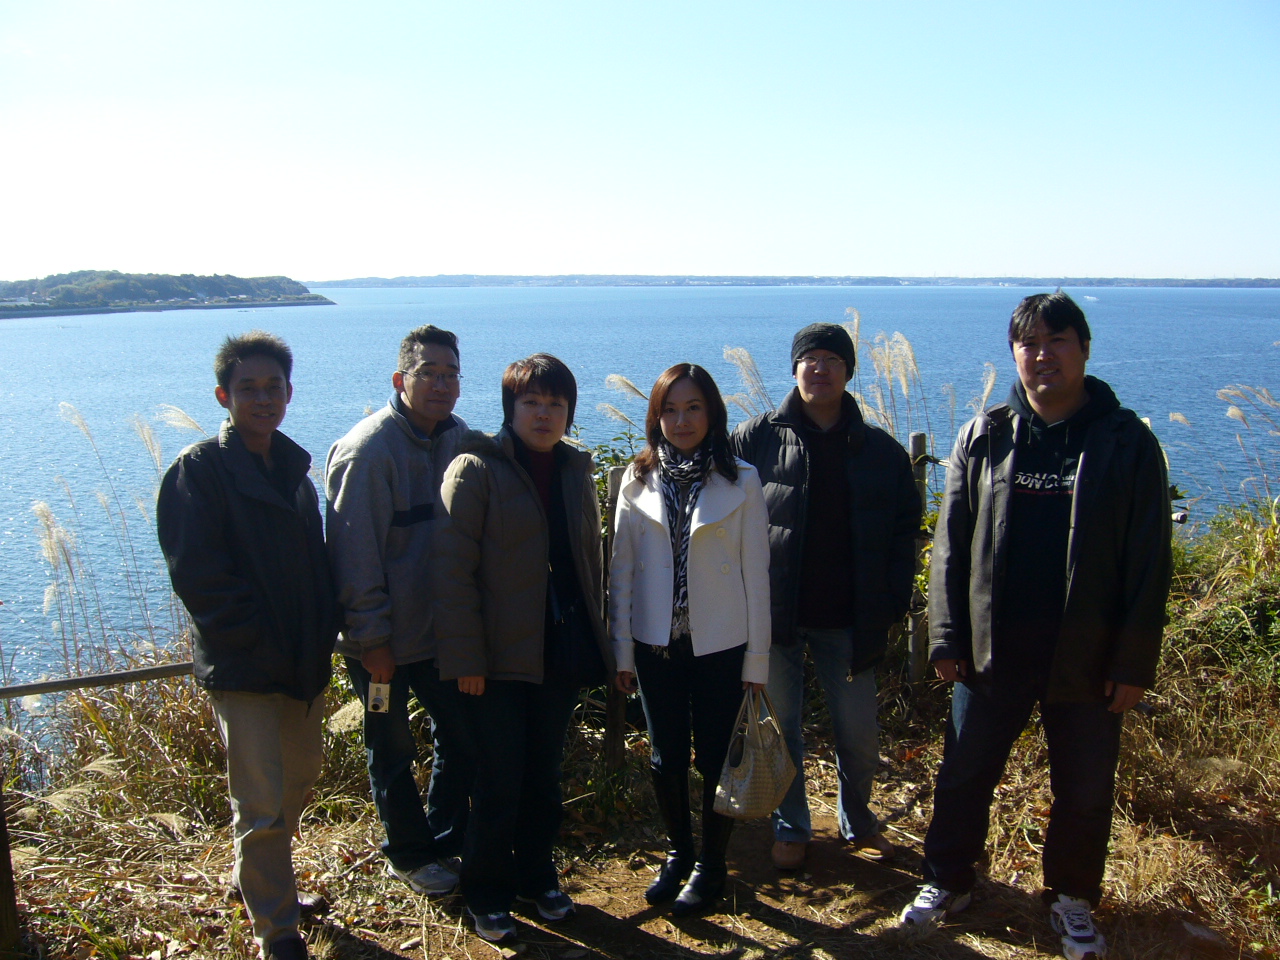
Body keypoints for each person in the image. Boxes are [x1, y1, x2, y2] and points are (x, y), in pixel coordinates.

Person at [900, 292, 1172, 960]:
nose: (1042, 355)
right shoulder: (985, 435)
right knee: (964, 773)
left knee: (1083, 788)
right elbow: (950, 546)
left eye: (1057, 341)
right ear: (1014, 353)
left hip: (1087, 656)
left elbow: (1149, 562)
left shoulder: (1126, 441)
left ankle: (1072, 899)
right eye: (1029, 343)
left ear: (1084, 349)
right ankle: (948, 880)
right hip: (992, 651)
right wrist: (946, 637)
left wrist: (1132, 664)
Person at [157, 331, 337, 960]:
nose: (263, 399)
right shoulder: (199, 471)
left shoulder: (293, 471)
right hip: (245, 668)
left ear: (289, 392)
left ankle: (260, 879)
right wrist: (259, 644)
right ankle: (277, 929)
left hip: (302, 664)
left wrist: (321, 638)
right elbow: (200, 579)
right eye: (248, 388)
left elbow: (315, 568)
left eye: (273, 387)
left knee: (299, 781)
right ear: (223, 396)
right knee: (259, 802)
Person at [432, 354, 614, 943]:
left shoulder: (573, 469)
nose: (543, 414)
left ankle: (538, 879)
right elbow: (451, 574)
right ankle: (487, 893)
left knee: (544, 778)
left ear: (569, 413)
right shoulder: (475, 469)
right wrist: (466, 660)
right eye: (531, 402)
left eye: (556, 404)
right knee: (498, 781)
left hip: (557, 651)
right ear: (510, 408)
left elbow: (588, 562)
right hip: (495, 661)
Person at [730, 323, 920, 871]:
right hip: (775, 617)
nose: (820, 368)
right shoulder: (756, 437)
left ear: (848, 372)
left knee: (858, 735)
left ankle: (857, 819)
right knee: (782, 729)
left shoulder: (880, 450)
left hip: (851, 619)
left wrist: (891, 601)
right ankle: (791, 827)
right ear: (794, 368)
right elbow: (719, 505)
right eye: (810, 358)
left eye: (833, 359)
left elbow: (905, 531)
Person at [610, 363, 771, 916]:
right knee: (666, 755)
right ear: (656, 416)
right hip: (655, 644)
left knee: (716, 757)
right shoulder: (636, 480)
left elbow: (757, 576)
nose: (681, 420)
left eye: (693, 408)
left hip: (721, 644)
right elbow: (621, 573)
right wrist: (622, 651)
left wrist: (757, 661)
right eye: (670, 409)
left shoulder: (741, 479)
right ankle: (679, 853)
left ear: (712, 413)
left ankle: (712, 865)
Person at [325, 324, 477, 897]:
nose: (441, 385)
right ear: (400, 379)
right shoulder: (367, 451)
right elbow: (353, 554)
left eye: (451, 374)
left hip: (441, 635)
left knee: (462, 737)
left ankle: (443, 838)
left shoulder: (459, 438)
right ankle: (408, 855)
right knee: (390, 749)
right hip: (382, 643)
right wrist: (372, 641)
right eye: (428, 373)